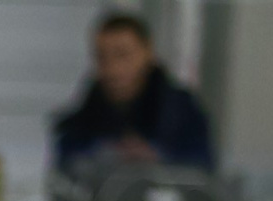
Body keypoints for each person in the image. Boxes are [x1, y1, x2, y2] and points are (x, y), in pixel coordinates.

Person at [52, 12, 215, 175]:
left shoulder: (183, 113)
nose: (113, 69)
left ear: (147, 52)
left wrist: (157, 158)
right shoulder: (82, 120)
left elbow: (203, 168)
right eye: (102, 57)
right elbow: (66, 167)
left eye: (122, 55)